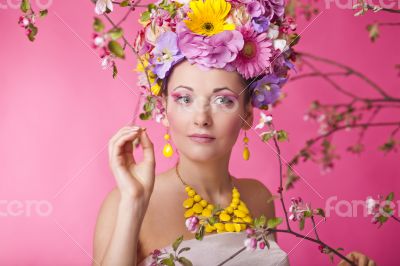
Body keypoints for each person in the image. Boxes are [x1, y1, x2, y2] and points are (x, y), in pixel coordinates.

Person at [92, 0, 377, 264]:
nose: (202, 118)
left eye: (223, 100)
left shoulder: (258, 198)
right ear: (163, 110)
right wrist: (134, 203)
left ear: (247, 116)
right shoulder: (125, 201)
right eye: (184, 99)